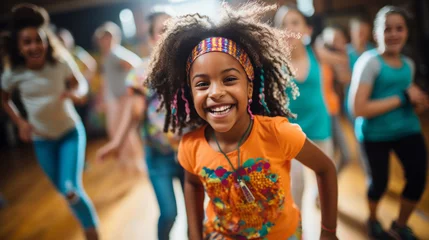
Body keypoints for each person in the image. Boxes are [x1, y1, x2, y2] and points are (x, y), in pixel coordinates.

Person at [145, 3, 339, 239]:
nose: (215, 92)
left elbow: (325, 168)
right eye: (203, 84)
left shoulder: (278, 133)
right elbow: (193, 184)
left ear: (249, 87)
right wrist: (196, 235)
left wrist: (328, 231)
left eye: (228, 79)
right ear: (190, 93)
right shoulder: (191, 146)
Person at [0, 4, 99, 239]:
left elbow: (80, 83)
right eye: (27, 42)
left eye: (39, 40)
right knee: (64, 192)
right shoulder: (13, 72)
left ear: (47, 41)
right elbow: (4, 99)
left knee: (70, 189)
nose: (34, 46)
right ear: (19, 47)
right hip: (42, 141)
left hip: (69, 133)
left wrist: (77, 93)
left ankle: (92, 233)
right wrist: (19, 122)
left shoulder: (60, 62)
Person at [96, 11, 184, 240]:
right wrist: (117, 142)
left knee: (197, 215)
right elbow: (132, 112)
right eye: (162, 30)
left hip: (189, 154)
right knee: (169, 214)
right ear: (152, 38)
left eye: (174, 29)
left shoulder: (190, 69)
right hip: (158, 156)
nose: (169, 35)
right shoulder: (141, 72)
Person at [349, 6, 428, 240]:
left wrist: (418, 103)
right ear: (377, 34)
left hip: (407, 129)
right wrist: (402, 98)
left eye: (399, 28)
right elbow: (358, 109)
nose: (393, 34)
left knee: (417, 178)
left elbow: (409, 99)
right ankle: (372, 219)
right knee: (379, 184)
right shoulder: (369, 63)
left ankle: (400, 225)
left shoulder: (409, 64)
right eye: (387, 29)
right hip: (374, 134)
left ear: (406, 32)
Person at [273, 5, 335, 209]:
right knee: (295, 186)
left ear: (306, 29)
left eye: (294, 23)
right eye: (283, 25)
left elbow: (346, 67)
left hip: (319, 124)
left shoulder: (317, 53)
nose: (289, 28)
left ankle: (326, 223)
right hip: (292, 131)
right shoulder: (274, 62)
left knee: (324, 177)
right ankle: (296, 230)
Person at [94, 22, 143, 172]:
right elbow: (106, 80)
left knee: (125, 131)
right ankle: (127, 160)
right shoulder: (108, 56)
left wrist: (132, 88)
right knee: (117, 130)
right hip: (115, 99)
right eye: (102, 39)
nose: (104, 41)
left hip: (123, 98)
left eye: (107, 38)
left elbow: (137, 66)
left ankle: (136, 163)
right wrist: (102, 99)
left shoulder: (116, 54)